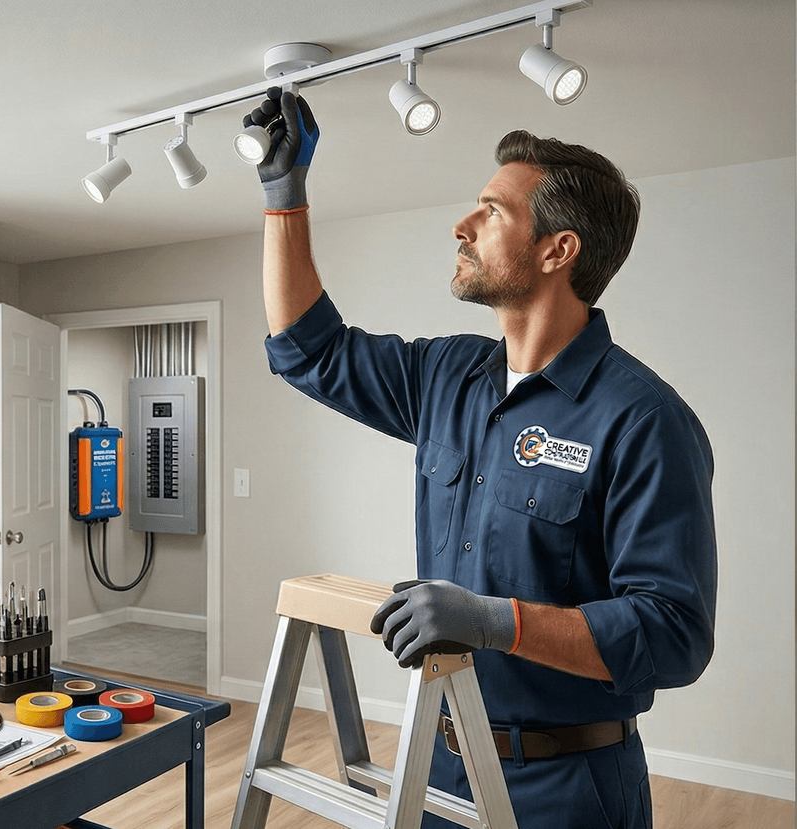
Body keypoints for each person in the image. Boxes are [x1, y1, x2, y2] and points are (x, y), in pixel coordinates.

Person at [244, 87, 717, 828]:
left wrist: (498, 620)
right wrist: (284, 195)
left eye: (492, 212)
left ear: (559, 250)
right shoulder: (449, 376)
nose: (462, 226)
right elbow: (310, 351)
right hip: (438, 763)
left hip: (565, 787)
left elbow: (673, 634)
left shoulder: (644, 418)